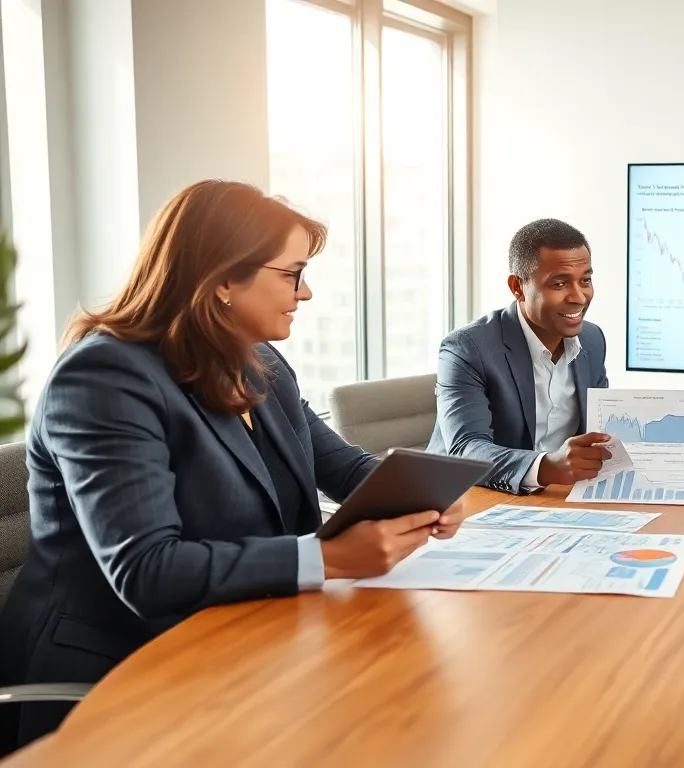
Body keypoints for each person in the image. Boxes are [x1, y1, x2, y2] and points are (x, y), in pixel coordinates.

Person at [0, 180, 466, 750]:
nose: (307, 292)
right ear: (222, 278)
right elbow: (147, 570)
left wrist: (426, 488)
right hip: (118, 668)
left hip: (238, 634)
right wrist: (328, 557)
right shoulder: (105, 378)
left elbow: (337, 465)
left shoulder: (258, 359)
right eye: (292, 274)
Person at [426, 219, 610, 494]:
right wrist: (547, 466)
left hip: (556, 499)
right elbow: (466, 448)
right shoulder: (466, 349)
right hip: (470, 498)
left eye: (585, 280)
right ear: (518, 287)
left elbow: (600, 428)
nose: (579, 297)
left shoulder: (592, 340)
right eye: (560, 283)